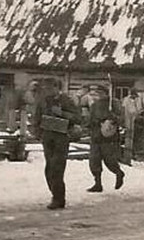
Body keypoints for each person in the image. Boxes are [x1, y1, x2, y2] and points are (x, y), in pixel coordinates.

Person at [31, 78, 79, 209]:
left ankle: (57, 198)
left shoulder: (66, 100)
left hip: (61, 137)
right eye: (46, 88)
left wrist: (62, 113)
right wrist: (37, 132)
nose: (47, 90)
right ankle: (57, 195)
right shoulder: (43, 101)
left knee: (56, 168)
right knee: (49, 169)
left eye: (50, 87)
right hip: (47, 137)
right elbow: (37, 116)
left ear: (58, 87)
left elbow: (78, 117)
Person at [85, 85, 125, 192]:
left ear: (107, 93)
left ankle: (119, 173)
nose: (99, 95)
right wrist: (90, 124)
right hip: (96, 136)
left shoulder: (113, 104)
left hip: (109, 137)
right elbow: (90, 120)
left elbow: (121, 118)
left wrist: (112, 119)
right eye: (98, 93)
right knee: (94, 161)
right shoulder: (94, 105)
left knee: (110, 160)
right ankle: (98, 184)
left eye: (101, 93)